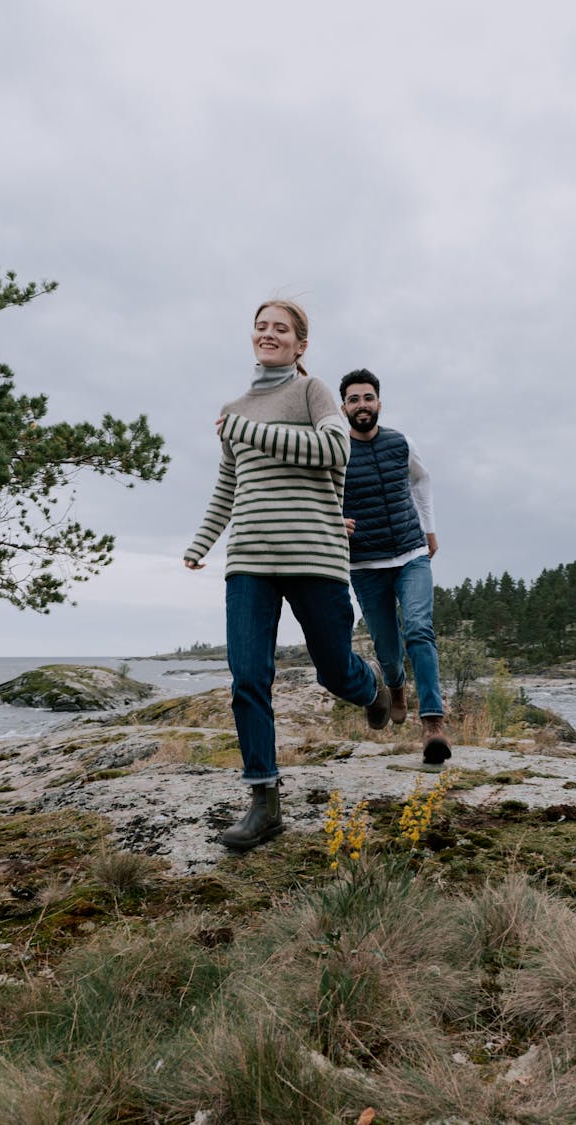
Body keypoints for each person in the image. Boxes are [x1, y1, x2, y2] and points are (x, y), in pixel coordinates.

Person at [184, 302, 391, 852]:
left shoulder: (312, 393)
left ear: (300, 345)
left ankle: (372, 688)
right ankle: (264, 800)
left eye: (282, 328)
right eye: (261, 326)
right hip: (249, 560)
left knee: (334, 673)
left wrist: (250, 429)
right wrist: (201, 543)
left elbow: (333, 447)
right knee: (248, 677)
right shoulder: (233, 409)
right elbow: (228, 487)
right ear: (252, 338)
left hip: (315, 556)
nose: (268, 334)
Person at [339, 368, 451, 765]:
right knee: (387, 648)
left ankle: (433, 723)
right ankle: (395, 684)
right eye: (354, 400)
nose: (362, 405)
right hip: (366, 563)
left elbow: (421, 482)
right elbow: (319, 494)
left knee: (420, 629)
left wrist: (429, 530)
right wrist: (336, 519)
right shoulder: (336, 449)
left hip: (410, 553)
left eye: (368, 398)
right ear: (344, 407)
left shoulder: (401, 442)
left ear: (379, 403)